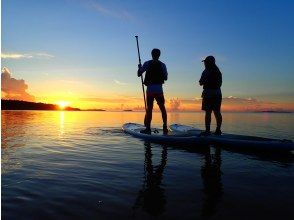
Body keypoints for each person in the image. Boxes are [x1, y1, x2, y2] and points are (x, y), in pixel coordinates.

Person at [137, 48, 168, 135]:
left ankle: (148, 128)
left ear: (151, 54)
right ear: (159, 55)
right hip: (159, 89)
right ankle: (165, 127)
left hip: (150, 89)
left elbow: (139, 74)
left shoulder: (147, 63)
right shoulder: (163, 65)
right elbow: (165, 78)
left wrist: (139, 68)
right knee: (162, 108)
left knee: (149, 108)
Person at [199, 56, 222, 135]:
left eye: (205, 62)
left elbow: (201, 82)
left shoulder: (208, 71)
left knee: (210, 112)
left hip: (209, 94)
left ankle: (208, 131)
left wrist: (206, 81)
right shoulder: (215, 71)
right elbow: (201, 82)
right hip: (216, 93)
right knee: (216, 112)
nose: (204, 63)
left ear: (210, 62)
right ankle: (217, 130)